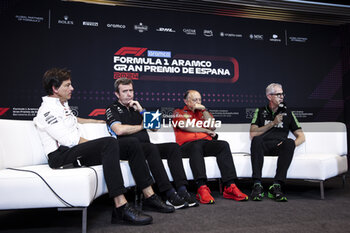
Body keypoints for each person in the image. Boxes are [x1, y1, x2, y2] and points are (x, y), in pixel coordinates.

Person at [33, 68, 174, 226]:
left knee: (132, 143)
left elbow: (75, 120)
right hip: (61, 158)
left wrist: (97, 122)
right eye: (68, 85)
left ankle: (150, 196)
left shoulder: (62, 105)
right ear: (55, 88)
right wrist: (97, 145)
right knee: (108, 142)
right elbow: (69, 140)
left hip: (74, 152)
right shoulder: (47, 111)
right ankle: (120, 207)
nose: (72, 88)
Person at [105, 78, 198, 209]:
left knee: (173, 147)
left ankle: (182, 190)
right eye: (124, 91)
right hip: (128, 150)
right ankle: (168, 193)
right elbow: (118, 130)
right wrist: (141, 126)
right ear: (117, 94)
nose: (129, 94)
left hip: (146, 146)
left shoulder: (137, 107)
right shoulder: (112, 108)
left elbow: (155, 127)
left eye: (131, 90)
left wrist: (142, 110)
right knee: (150, 148)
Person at [172, 90, 248, 204]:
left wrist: (203, 110)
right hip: (186, 146)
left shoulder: (203, 113)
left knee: (223, 145)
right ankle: (201, 187)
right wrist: (205, 130)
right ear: (186, 101)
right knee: (196, 146)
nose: (198, 102)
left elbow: (212, 126)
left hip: (204, 143)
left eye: (199, 100)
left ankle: (229, 186)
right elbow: (185, 126)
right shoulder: (178, 112)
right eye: (194, 100)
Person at [249, 83, 305, 201]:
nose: (282, 97)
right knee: (256, 139)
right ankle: (257, 185)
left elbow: (301, 136)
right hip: (262, 146)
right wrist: (273, 123)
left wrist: (289, 145)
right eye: (278, 94)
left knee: (289, 142)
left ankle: (276, 186)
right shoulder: (260, 111)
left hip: (279, 147)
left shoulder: (288, 113)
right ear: (269, 96)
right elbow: (253, 133)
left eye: (282, 94)